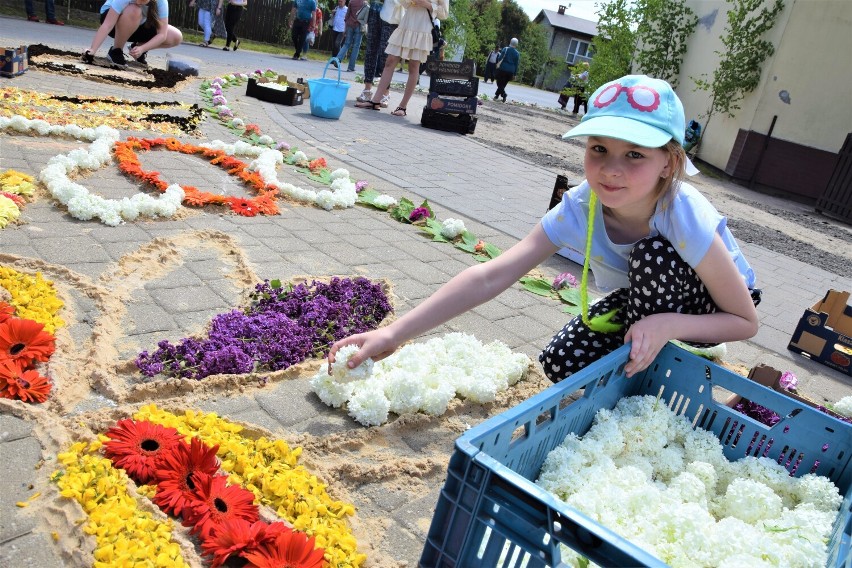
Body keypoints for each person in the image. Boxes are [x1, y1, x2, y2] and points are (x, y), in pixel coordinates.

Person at [331, 74, 760, 383]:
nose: (610, 170)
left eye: (634, 155)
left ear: (668, 161)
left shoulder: (681, 213)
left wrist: (666, 324)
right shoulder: (580, 206)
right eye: (598, 149)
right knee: (560, 361)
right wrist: (393, 333)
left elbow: (745, 322)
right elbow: (491, 274)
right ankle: (643, 344)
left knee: (652, 256)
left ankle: (658, 363)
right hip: (646, 298)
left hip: (714, 306)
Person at [354, 0, 449, 117]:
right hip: (406, 23)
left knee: (414, 66)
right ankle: (375, 101)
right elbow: (404, 4)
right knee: (390, 61)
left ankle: (402, 107)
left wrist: (426, 4)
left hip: (423, 28)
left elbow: (444, 13)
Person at [82, 0, 183, 67]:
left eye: (142, 1)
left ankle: (136, 47)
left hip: (139, 24)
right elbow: (107, 25)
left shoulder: (161, 2)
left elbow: (162, 34)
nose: (138, 2)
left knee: (176, 36)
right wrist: (92, 50)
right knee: (134, 9)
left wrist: (143, 48)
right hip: (113, 22)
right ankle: (116, 51)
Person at [357, 0, 402, 107]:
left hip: (391, 14)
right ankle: (367, 89)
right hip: (374, 9)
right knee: (370, 50)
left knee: (385, 54)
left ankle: (385, 92)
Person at [333, 0, 366, 72]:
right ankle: (351, 67)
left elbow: (347, 15)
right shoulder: (364, 3)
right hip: (359, 25)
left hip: (350, 25)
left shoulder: (351, 1)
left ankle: (338, 59)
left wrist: (345, 28)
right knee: (356, 46)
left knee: (346, 44)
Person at [493, 38, 520, 102]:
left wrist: (497, 64)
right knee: (504, 84)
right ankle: (497, 95)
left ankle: (504, 94)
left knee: (499, 82)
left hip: (503, 69)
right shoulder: (517, 53)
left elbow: (500, 58)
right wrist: (515, 74)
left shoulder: (505, 49)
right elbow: (516, 64)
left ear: (510, 42)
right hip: (511, 71)